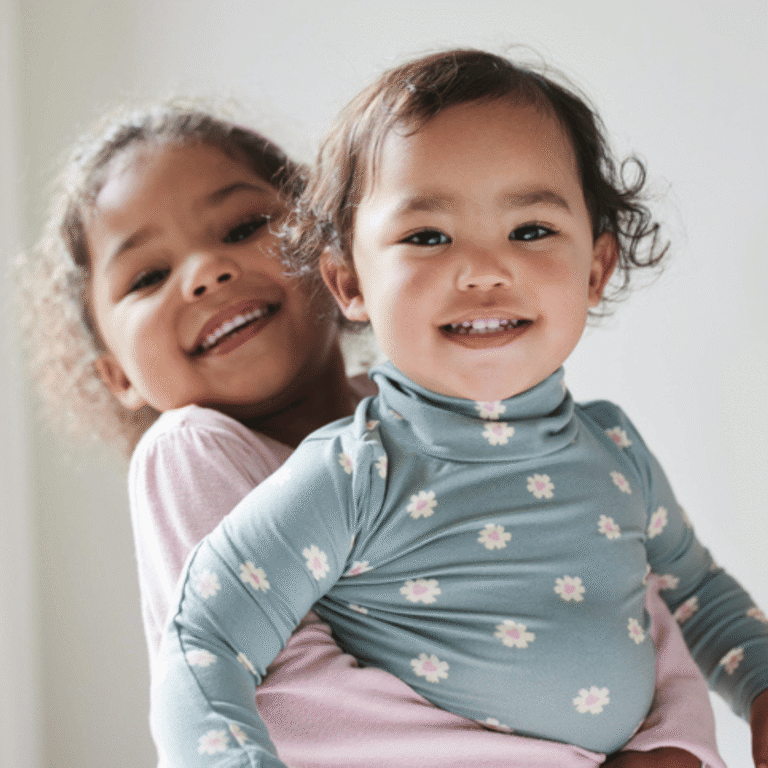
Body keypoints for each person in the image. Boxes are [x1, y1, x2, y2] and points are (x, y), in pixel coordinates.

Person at [15, 98, 727, 768]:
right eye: (147, 275)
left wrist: (675, 739)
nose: (206, 273)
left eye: (241, 228)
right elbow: (290, 702)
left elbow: (612, 580)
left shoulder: (438, 414)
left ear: (333, 255)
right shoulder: (188, 450)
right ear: (116, 375)